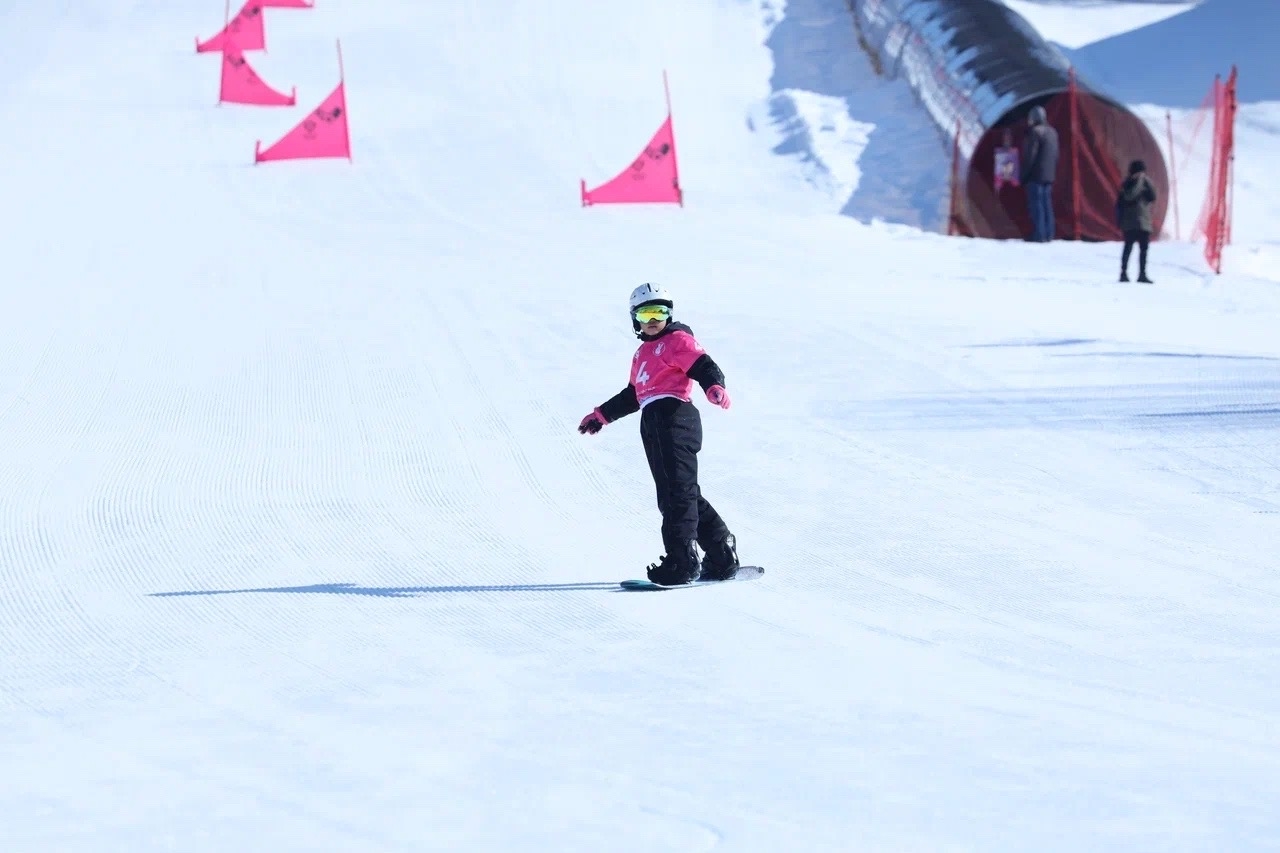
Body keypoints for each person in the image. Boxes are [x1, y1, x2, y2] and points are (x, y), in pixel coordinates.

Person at [577, 283, 739, 586]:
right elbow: (633, 395)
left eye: (659, 312)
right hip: (654, 420)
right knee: (679, 492)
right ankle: (720, 552)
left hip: (674, 415)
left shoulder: (677, 339)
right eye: (645, 313)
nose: (653, 320)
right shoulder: (642, 354)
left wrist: (714, 386)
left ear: (670, 314)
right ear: (635, 319)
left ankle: (682, 561)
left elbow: (703, 365)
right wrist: (601, 416)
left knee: (676, 494)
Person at [1020, 105, 1060, 242]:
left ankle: (1039, 234)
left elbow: (1030, 156)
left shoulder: (1035, 132)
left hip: (1036, 175)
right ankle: (1049, 233)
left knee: (1037, 205)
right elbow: (1056, 155)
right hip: (1049, 174)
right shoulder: (1053, 132)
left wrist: (1024, 174)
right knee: (1047, 205)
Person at [1117, 159, 1157, 283]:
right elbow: (1130, 196)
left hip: (1143, 222)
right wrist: (1139, 182)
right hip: (1130, 223)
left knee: (1144, 250)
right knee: (1128, 248)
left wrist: (1146, 181)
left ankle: (1142, 274)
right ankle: (1123, 273)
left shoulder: (1145, 184)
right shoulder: (1127, 185)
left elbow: (1153, 196)